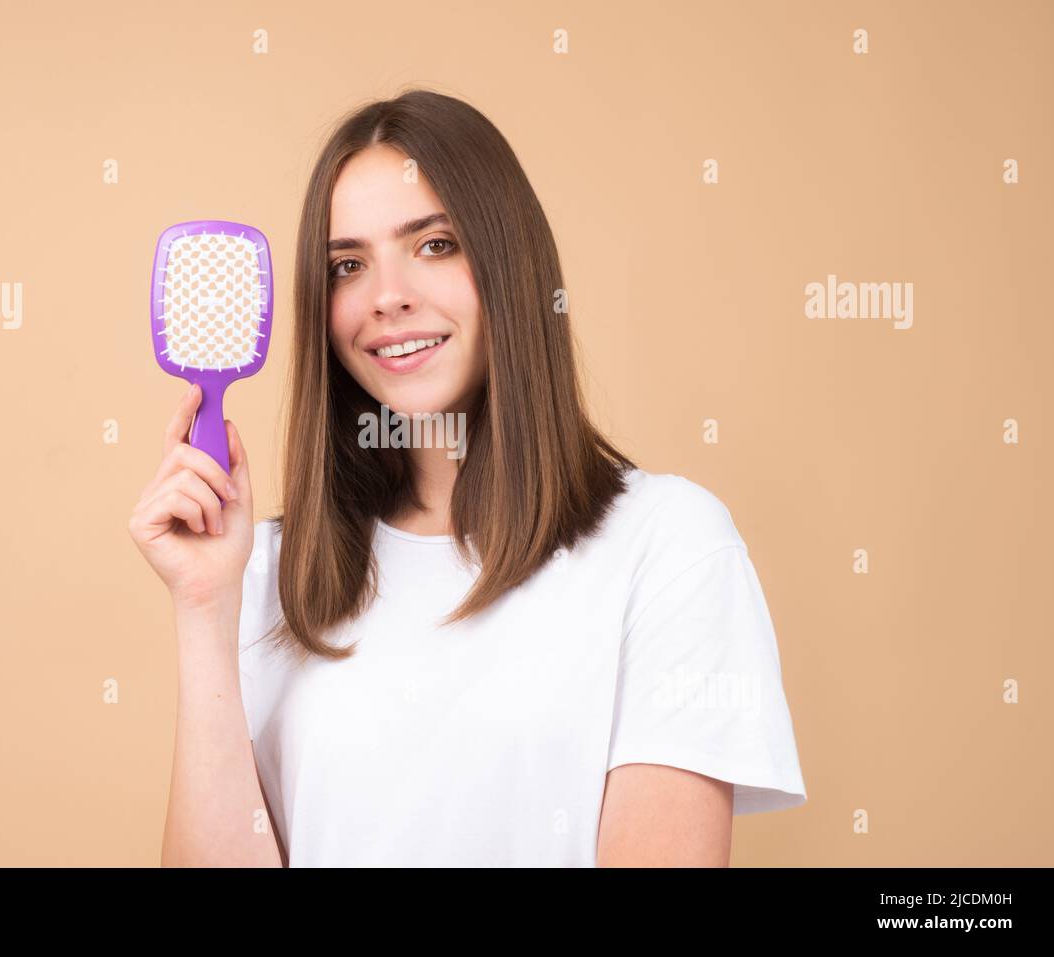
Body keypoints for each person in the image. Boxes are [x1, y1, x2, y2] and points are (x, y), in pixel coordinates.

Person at [129, 89, 806, 867]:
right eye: (348, 265)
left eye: (435, 244)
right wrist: (205, 608)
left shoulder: (668, 545)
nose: (387, 297)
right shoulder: (267, 574)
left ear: (510, 265)